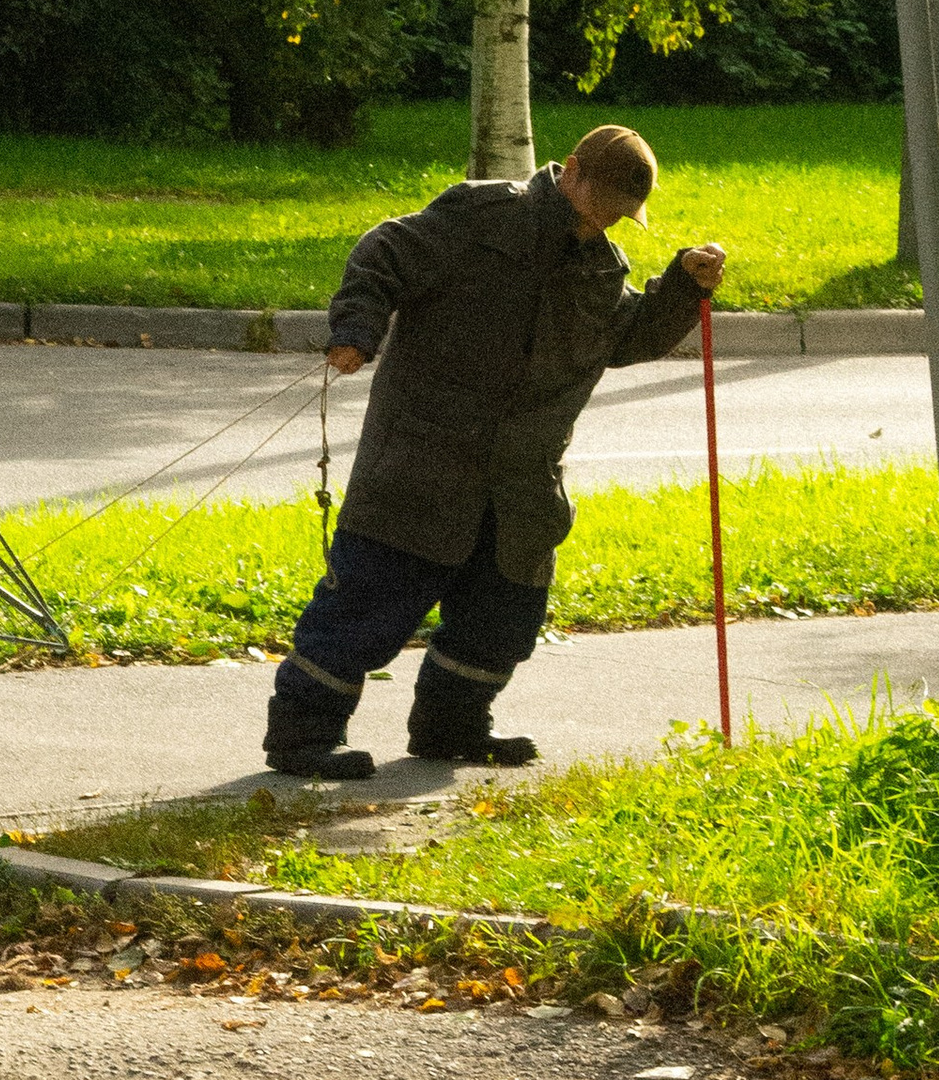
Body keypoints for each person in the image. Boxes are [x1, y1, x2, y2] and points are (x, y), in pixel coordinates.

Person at [264, 122, 726, 780]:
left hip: (520, 483)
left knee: (503, 615)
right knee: (365, 605)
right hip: (424, 460)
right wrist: (357, 328)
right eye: (599, 206)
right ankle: (302, 735)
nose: (602, 223)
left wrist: (682, 287)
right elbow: (383, 251)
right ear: (571, 172)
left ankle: (452, 727)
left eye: (619, 216)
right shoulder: (480, 217)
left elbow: (625, 338)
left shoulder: (601, 269)